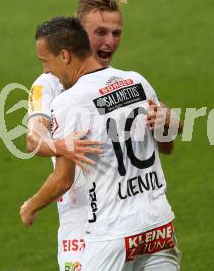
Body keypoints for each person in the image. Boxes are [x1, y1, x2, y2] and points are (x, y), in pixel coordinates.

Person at [21, 17, 181, 270]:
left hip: (113, 232)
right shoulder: (137, 81)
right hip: (159, 226)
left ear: (64, 55)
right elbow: (167, 145)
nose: (45, 71)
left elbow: (64, 179)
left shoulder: (69, 102)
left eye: (45, 61)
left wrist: (31, 206)